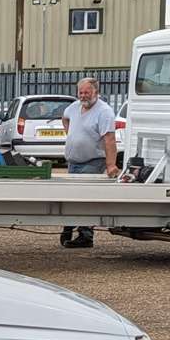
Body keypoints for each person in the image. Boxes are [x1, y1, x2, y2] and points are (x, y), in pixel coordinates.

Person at [59, 76, 119, 249]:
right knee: (70, 196)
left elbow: (109, 139)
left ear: (96, 92)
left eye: (87, 92)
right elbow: (65, 117)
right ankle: (68, 226)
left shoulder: (104, 111)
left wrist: (110, 165)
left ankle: (86, 236)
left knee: (83, 197)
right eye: (81, 92)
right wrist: (71, 135)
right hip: (73, 161)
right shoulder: (74, 107)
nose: (83, 96)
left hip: (93, 160)